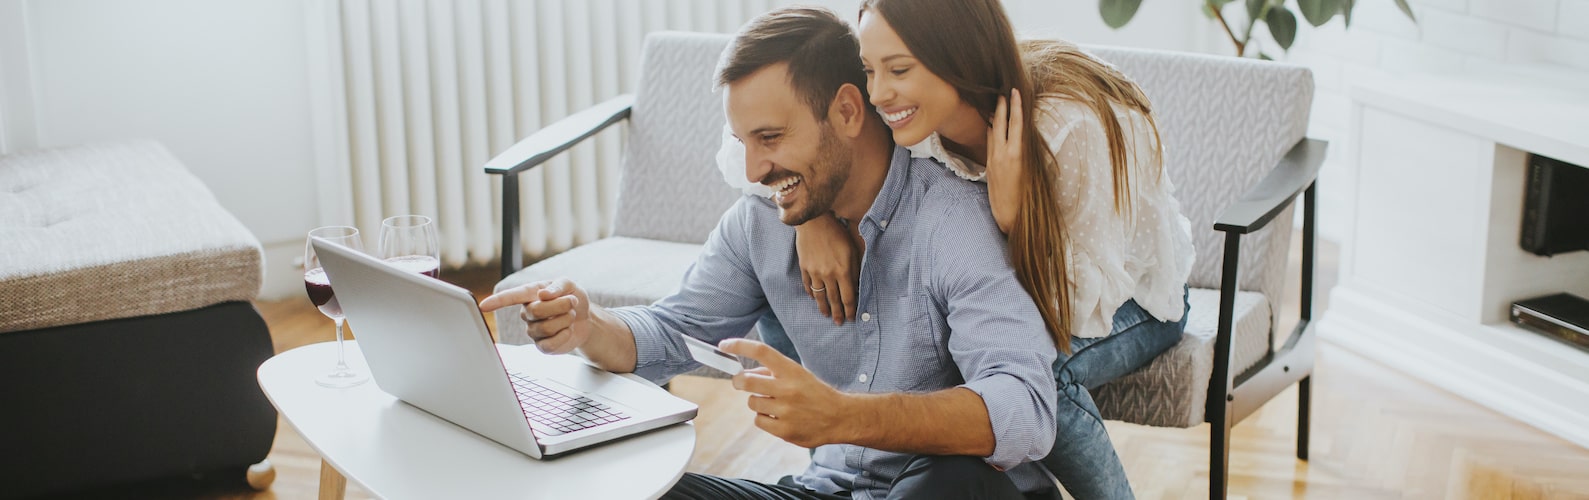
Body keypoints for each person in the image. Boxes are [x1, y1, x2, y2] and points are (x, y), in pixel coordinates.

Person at [481, 6, 1061, 500]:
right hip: (822, 489)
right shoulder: (763, 221)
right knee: (628, 488)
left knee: (950, 482)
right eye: (744, 143)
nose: (755, 170)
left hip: (948, 490)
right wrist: (588, 325)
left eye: (771, 138)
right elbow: (673, 331)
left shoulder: (950, 220)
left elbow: (1026, 407)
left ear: (848, 111)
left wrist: (844, 416)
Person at [718, 0, 1196, 497]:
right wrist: (812, 218)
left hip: (1125, 297)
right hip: (1027, 290)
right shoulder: (897, 108)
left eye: (898, 69)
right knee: (786, 280)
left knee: (1038, 377)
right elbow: (759, 146)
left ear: (955, 56)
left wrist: (1015, 220)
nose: (877, 91)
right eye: (868, 69)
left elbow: (1071, 309)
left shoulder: (1065, 130)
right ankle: (846, 470)